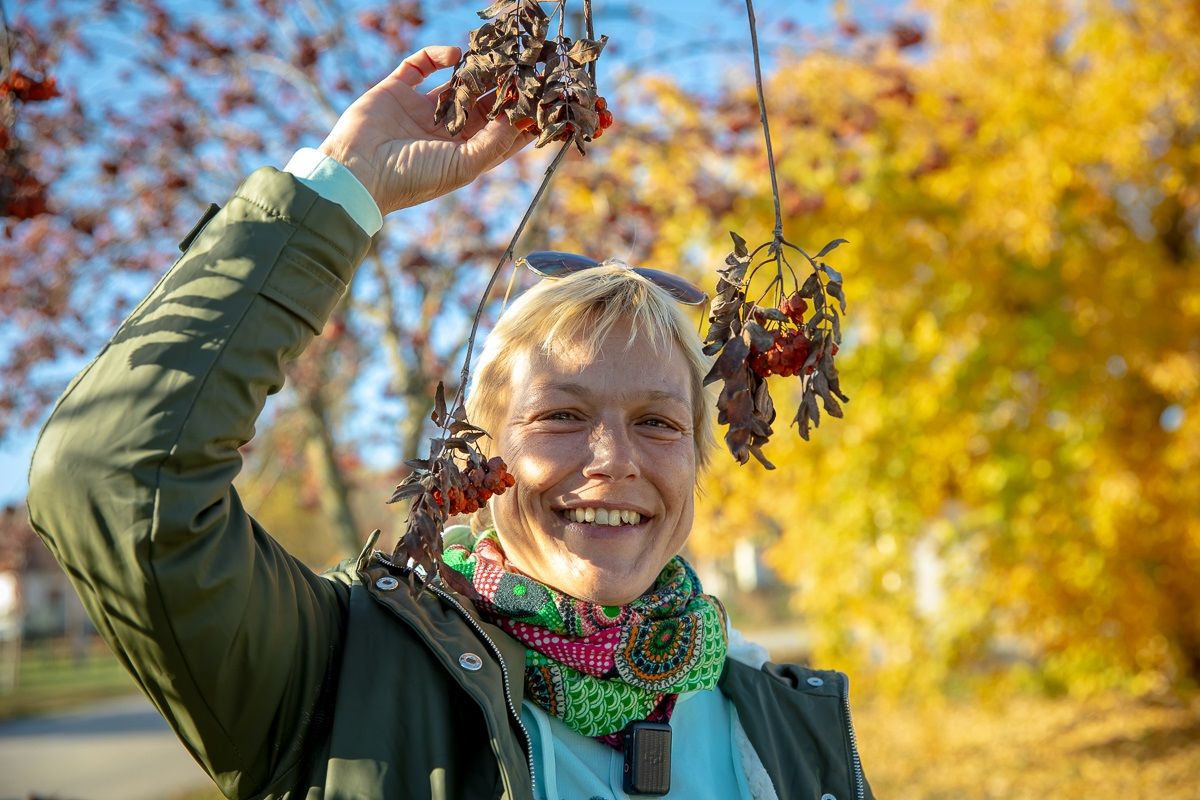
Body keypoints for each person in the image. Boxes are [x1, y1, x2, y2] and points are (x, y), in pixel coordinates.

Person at [26, 45, 873, 800]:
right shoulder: (343, 673)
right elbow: (113, 473)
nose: (613, 460)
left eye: (658, 423)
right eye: (562, 414)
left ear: (697, 455)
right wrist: (341, 188)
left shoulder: (790, 729)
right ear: (481, 453)